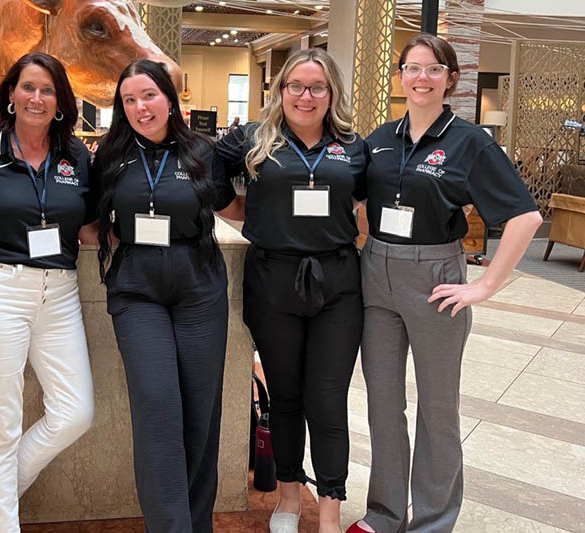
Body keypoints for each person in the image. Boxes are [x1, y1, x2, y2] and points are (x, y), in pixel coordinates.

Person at [347, 34, 542, 533]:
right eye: (412, 69)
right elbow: (348, 198)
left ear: (450, 79)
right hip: (377, 276)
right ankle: (384, 514)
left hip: (435, 276)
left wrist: (484, 286)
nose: (421, 78)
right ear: (400, 77)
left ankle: (433, 521)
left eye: (434, 69)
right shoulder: (380, 139)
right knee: (383, 404)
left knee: (438, 409)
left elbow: (524, 217)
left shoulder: (469, 141)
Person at [216, 48, 366, 533]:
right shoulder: (253, 139)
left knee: (326, 398)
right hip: (273, 279)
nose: (306, 95)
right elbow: (207, 167)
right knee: (284, 396)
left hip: (338, 283)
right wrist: (244, 211)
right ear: (280, 91)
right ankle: (286, 498)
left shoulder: (353, 146)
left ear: (331, 94)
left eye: (316, 87)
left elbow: (370, 201)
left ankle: (329, 511)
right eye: (296, 86)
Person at [94, 59, 240, 533]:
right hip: (138, 289)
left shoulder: (202, 151)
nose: (140, 107)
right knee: (157, 407)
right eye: (129, 99)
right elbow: (91, 220)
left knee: (201, 409)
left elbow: (229, 205)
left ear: (170, 99)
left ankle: (197, 524)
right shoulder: (110, 154)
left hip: (198, 286)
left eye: (149, 96)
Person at [0, 52, 96, 533]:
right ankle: (1, 523)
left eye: (48, 90)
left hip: (59, 292)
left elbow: (90, 226)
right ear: (11, 94)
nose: (37, 98)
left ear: (60, 102)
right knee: (0, 426)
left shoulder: (76, 156)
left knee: (76, 412)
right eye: (28, 87)